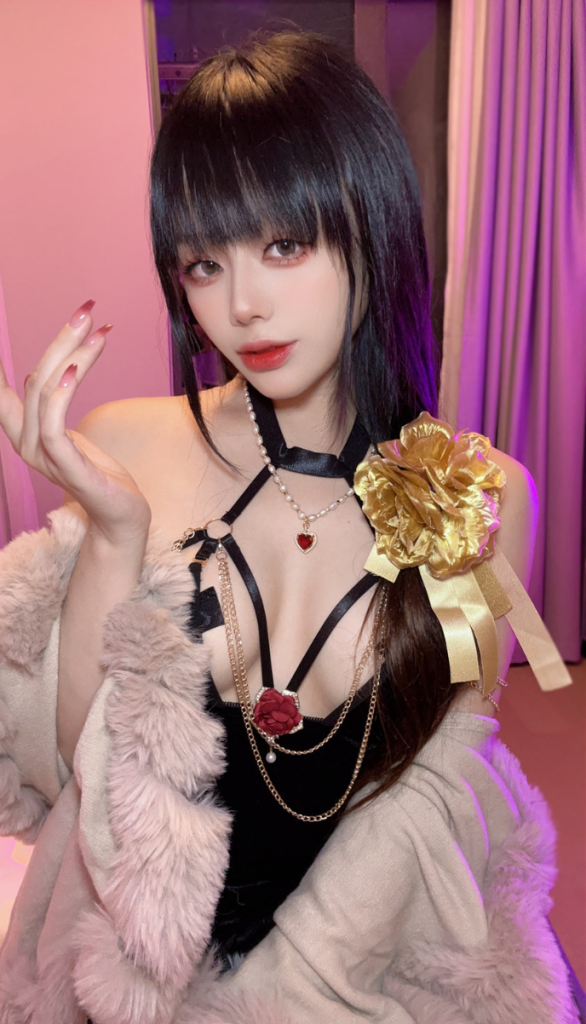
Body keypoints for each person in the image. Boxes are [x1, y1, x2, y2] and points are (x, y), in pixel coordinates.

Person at [0, 29, 580, 1024]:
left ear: (371, 225)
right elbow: (72, 778)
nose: (242, 305)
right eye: (202, 263)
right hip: (140, 969)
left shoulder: (481, 492)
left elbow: (438, 794)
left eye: (285, 245)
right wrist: (115, 535)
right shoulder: (130, 446)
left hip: (355, 968)